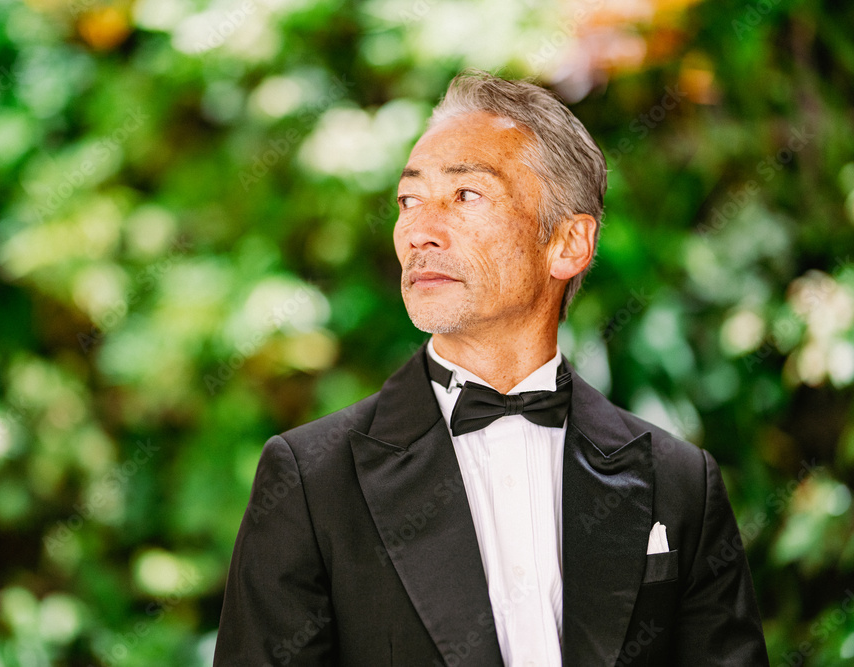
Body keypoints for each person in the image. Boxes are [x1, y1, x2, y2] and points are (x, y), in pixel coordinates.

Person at [214, 69, 769, 666]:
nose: (419, 232)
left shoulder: (681, 483)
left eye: (465, 195)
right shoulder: (310, 482)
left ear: (568, 244)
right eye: (409, 200)